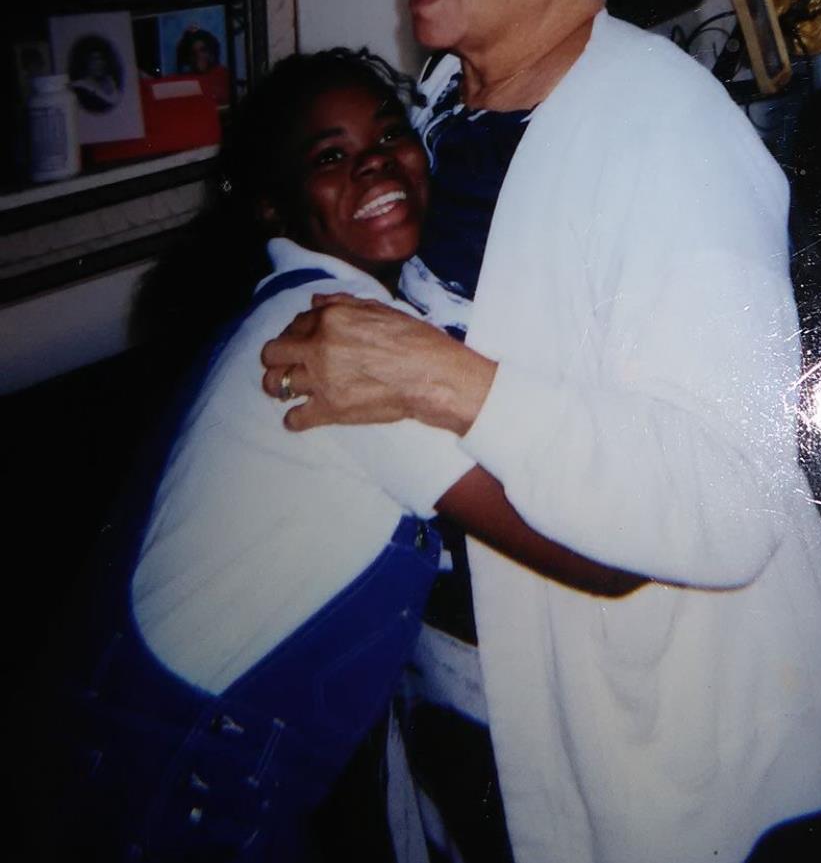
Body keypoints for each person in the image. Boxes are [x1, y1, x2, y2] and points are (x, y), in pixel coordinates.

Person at [262, 0, 821, 863]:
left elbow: (725, 502)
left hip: (641, 726)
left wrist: (439, 375)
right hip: (460, 699)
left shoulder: (674, 143)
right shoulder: (440, 114)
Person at [40, 46, 638, 863]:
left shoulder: (310, 305)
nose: (375, 166)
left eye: (389, 136)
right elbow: (601, 555)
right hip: (170, 792)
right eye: (330, 157)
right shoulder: (337, 338)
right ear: (271, 207)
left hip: (149, 763)